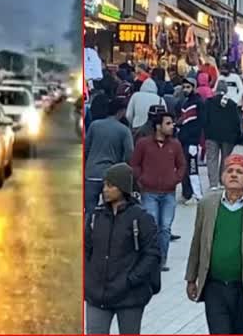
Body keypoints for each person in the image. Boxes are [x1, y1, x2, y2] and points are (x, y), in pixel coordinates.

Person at [185, 154, 243, 334]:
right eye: (229, 171)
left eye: (240, 172)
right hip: (214, 286)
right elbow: (197, 242)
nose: (234, 175)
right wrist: (191, 278)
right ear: (222, 176)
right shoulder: (207, 204)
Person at [84, 163, 161, 334]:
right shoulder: (95, 216)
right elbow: (85, 249)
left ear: (123, 188)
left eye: (111, 185)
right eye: (104, 185)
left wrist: (131, 280)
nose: (105, 189)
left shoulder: (141, 218)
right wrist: (88, 278)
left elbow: (152, 254)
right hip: (97, 295)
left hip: (129, 296)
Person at [130, 112, 186, 272]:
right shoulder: (143, 144)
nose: (172, 126)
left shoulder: (175, 145)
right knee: (151, 225)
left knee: (166, 227)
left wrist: (176, 179)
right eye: (168, 123)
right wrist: (141, 179)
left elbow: (182, 164)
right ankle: (150, 259)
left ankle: (162, 259)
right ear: (158, 126)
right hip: (149, 192)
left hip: (168, 192)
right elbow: (135, 164)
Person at [84, 99, 134, 219]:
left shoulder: (94, 125)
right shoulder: (124, 130)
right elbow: (129, 154)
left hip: (91, 173)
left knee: (89, 211)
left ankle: (87, 234)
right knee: (111, 210)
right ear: (121, 112)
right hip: (111, 175)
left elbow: (86, 149)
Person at [203, 83, 241, 191]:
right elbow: (236, 122)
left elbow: (204, 118)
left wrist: (205, 131)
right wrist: (237, 136)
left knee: (212, 159)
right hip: (228, 136)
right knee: (225, 159)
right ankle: (222, 180)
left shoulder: (209, 102)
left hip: (211, 135)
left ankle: (213, 183)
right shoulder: (231, 104)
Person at [177, 76, 205, 202]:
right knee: (184, 168)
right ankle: (186, 193)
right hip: (183, 140)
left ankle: (196, 194)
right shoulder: (184, 102)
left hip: (192, 141)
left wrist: (197, 139)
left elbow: (201, 122)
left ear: (194, 87)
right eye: (184, 87)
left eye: (188, 87)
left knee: (192, 169)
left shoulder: (198, 102)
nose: (185, 90)